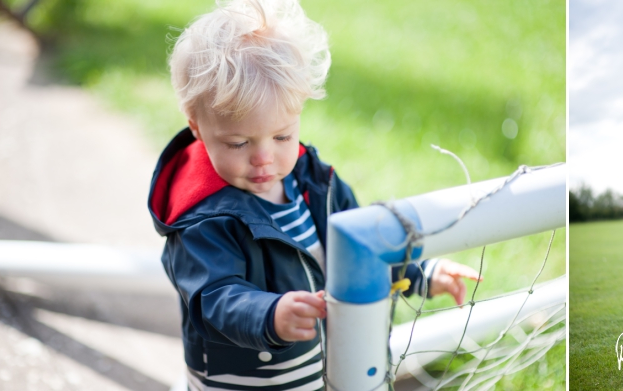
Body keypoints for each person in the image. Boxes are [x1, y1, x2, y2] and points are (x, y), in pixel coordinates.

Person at [147, 1, 481, 389]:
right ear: (198, 129)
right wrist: (269, 315)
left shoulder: (314, 181)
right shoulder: (203, 219)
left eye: (282, 136)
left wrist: (419, 272)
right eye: (238, 143)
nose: (263, 159)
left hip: (327, 373)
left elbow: (363, 244)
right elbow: (215, 299)